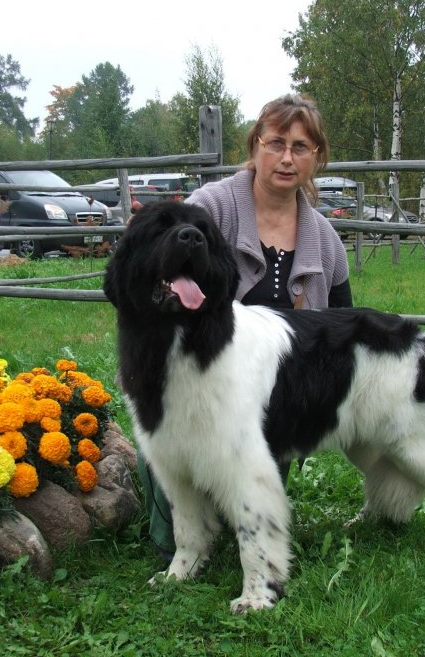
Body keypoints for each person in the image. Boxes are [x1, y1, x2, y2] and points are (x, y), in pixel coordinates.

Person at [137, 93, 353, 560]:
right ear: (256, 145)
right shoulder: (208, 209)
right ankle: (178, 531)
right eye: (276, 143)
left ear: (317, 158)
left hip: (273, 401)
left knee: (249, 484)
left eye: (301, 147)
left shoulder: (328, 243)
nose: (286, 158)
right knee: (169, 496)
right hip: (193, 382)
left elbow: (337, 328)